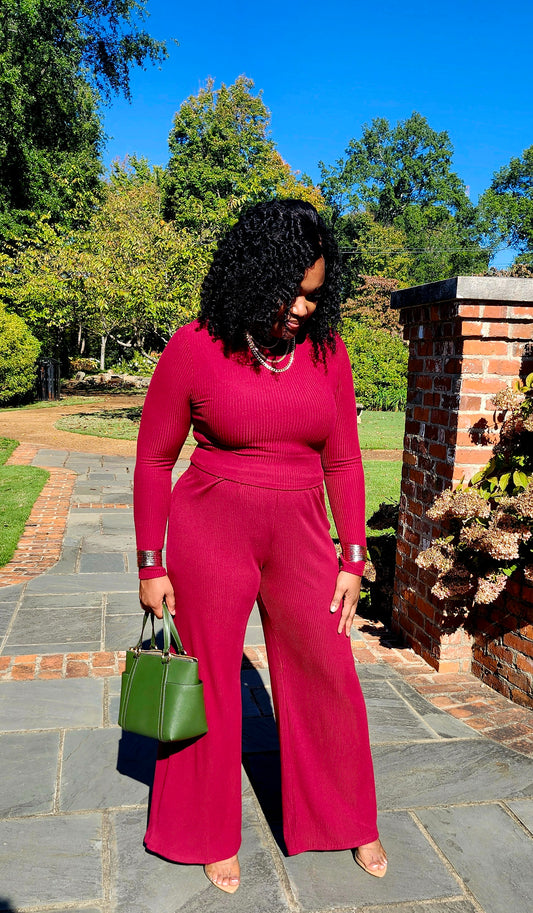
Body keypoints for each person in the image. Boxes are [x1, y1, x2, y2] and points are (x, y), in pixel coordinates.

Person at [133, 198, 388, 893]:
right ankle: (205, 830)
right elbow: (155, 459)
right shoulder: (195, 345)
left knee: (326, 668)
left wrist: (352, 557)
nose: (305, 309)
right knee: (209, 678)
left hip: (302, 529)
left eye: (315, 295)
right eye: (293, 293)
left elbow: (343, 460)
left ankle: (346, 817)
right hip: (208, 527)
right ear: (255, 276)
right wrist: (149, 563)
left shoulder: (327, 353)